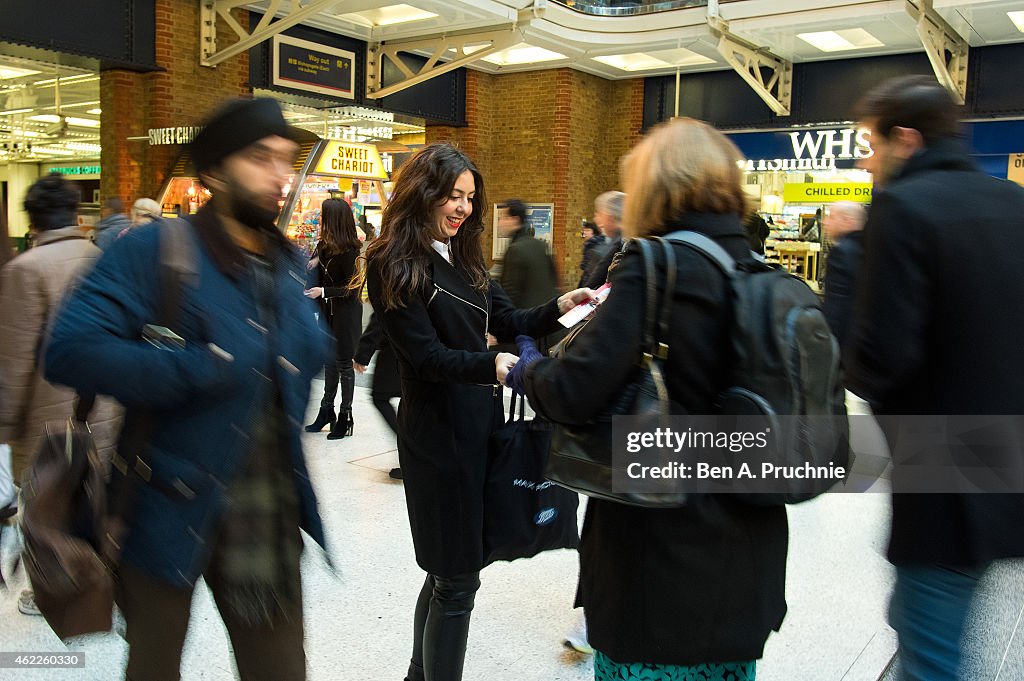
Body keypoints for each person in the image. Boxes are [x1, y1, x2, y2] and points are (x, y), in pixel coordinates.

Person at [44, 97, 331, 681]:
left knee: (279, 670)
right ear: (213, 172)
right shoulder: (155, 251)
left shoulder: (288, 261)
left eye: (285, 159)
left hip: (265, 512)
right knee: (153, 665)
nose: (280, 175)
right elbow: (68, 349)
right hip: (163, 507)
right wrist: (192, 367)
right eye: (260, 158)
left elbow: (302, 357)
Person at [506, 118, 789, 680]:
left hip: (659, 555)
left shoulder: (655, 266)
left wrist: (529, 368)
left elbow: (574, 390)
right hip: (747, 556)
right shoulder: (756, 268)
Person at [363, 142, 592, 681]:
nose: (462, 208)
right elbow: (422, 357)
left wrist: (562, 306)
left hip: (477, 427)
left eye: (469, 198)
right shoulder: (393, 262)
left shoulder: (462, 257)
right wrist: (492, 365)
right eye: (452, 195)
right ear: (424, 193)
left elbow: (510, 316)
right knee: (457, 577)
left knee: (450, 572)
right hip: (437, 436)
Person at [846, 75, 1024, 681]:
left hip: (943, 470)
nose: (866, 162)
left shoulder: (902, 209)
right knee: (926, 615)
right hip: (1010, 459)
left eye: (870, 145)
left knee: (931, 647)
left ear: (906, 139)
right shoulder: (1013, 203)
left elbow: (882, 359)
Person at [0, 172, 122, 616]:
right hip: (105, 402)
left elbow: (13, 362)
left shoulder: (24, 270)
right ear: (75, 214)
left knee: (48, 505)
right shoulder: (99, 255)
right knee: (97, 493)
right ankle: (110, 579)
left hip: (48, 415)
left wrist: (5, 427)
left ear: (32, 222)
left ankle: (54, 589)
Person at [304, 198, 363, 439]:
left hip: (346, 315)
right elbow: (315, 277)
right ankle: (325, 410)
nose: (322, 221)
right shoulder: (322, 247)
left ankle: (345, 416)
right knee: (329, 362)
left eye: (325, 216)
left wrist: (325, 292)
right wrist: (312, 264)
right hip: (327, 314)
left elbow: (353, 288)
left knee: (343, 365)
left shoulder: (352, 250)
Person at [352, 312, 402, 479]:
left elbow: (382, 316)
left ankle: (409, 449)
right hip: (417, 353)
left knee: (380, 397)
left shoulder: (392, 287)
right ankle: (412, 453)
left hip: (394, 354)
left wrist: (362, 355)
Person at [821, 201, 866, 351]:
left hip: (844, 344)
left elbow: (836, 307)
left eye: (831, 217)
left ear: (847, 221)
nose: (825, 222)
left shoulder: (841, 252)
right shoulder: (869, 246)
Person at [497, 199, 558, 309]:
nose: (499, 222)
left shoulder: (515, 250)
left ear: (514, 220)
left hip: (526, 317)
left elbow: (510, 294)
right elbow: (554, 280)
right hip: (545, 313)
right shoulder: (541, 245)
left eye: (503, 218)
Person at [581, 190, 625, 288]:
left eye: (598, 214)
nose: (596, 219)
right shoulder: (625, 243)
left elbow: (589, 288)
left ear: (610, 217)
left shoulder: (607, 250)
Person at [577, 220, 602, 286]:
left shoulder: (594, 245)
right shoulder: (589, 244)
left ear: (594, 232)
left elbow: (590, 266)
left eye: (588, 230)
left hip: (591, 279)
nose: (585, 232)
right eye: (584, 230)